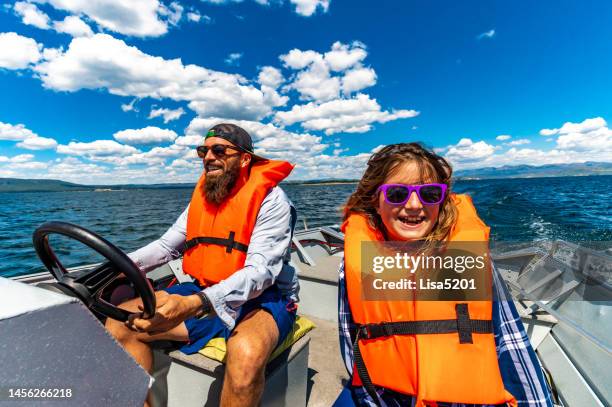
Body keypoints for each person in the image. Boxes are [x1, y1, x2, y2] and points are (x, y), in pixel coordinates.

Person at [335, 143, 553, 407]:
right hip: (383, 396)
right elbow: (353, 343)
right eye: (396, 193)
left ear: (441, 201)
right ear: (375, 200)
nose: (414, 205)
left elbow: (510, 341)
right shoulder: (355, 264)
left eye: (428, 193)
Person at [105, 123, 299, 407]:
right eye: (203, 151)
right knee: (120, 323)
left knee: (245, 355)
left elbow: (261, 273)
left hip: (265, 299)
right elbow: (166, 246)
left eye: (219, 150)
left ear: (245, 159)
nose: (208, 157)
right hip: (205, 290)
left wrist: (195, 303)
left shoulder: (272, 201)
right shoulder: (202, 199)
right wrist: (116, 267)